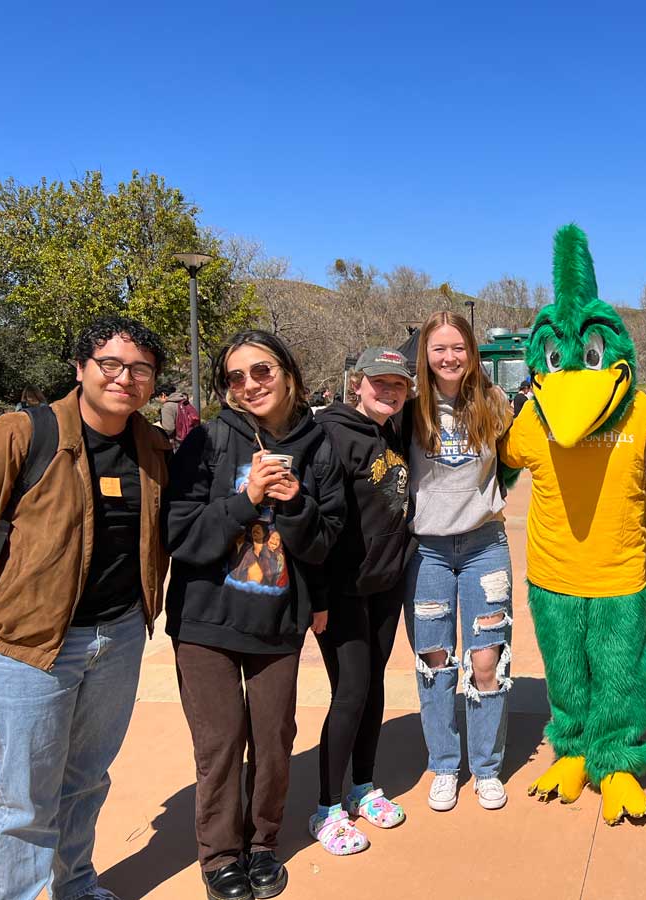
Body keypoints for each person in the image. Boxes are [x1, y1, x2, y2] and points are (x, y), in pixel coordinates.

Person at [0, 316, 170, 900]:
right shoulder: (21, 433)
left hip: (119, 638)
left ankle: (77, 886)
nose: (124, 378)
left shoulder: (152, 447)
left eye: (140, 369)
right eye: (110, 364)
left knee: (86, 781)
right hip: (30, 643)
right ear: (81, 368)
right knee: (24, 796)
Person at [164, 330, 345, 900]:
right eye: (236, 378)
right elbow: (181, 535)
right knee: (220, 745)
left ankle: (263, 845)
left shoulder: (319, 448)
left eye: (261, 371)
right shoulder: (209, 441)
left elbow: (326, 544)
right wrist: (245, 502)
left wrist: (294, 503)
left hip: (277, 623)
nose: (249, 385)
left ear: (288, 373)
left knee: (273, 740)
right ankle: (220, 855)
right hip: (206, 622)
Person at [404, 310, 514, 812]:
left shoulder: (496, 405)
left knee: (486, 659)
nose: (449, 358)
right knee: (435, 660)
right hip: (427, 551)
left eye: (458, 348)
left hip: (484, 546)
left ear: (472, 354)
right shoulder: (410, 409)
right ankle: (444, 764)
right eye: (438, 349)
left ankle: (486, 767)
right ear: (425, 355)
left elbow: (515, 462)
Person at [308, 348, 414, 855]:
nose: (388, 391)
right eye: (379, 382)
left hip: (385, 585)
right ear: (357, 383)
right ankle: (326, 808)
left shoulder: (392, 430)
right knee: (349, 692)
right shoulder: (330, 434)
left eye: (398, 384)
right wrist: (318, 596)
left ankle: (363, 787)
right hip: (344, 589)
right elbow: (316, 522)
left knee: (373, 689)